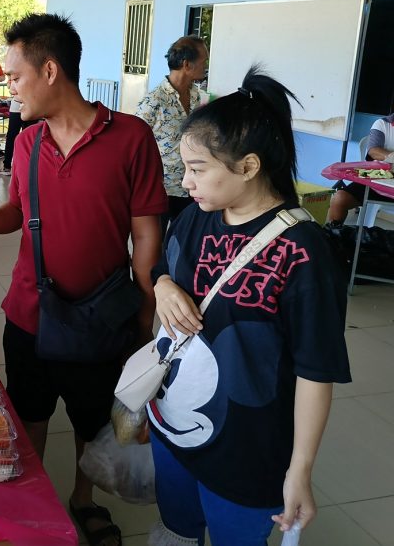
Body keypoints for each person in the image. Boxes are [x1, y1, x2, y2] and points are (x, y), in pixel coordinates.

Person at [0, 13, 166, 546]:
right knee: (29, 415)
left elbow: (146, 237)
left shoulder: (131, 138)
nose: (8, 88)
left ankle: (82, 501)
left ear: (49, 70)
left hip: (100, 313)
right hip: (29, 312)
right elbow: (16, 211)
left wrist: (146, 314)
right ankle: (29, 504)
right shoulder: (27, 143)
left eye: (14, 77)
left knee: (92, 421)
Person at [148, 69, 351, 546]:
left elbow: (315, 370)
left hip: (247, 449)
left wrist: (300, 470)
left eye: (197, 169)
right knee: (178, 528)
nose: (185, 181)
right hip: (173, 426)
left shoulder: (303, 251)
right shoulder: (195, 218)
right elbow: (163, 270)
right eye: (184, 168)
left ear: (248, 166)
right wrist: (162, 286)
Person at [135, 36, 207, 232]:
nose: (205, 67)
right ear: (186, 65)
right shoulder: (154, 101)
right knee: (154, 244)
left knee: (183, 239)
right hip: (161, 188)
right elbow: (134, 143)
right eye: (203, 62)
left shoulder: (195, 94)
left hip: (189, 184)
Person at [326, 103, 394, 224]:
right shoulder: (383, 123)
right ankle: (333, 236)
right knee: (340, 199)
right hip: (380, 175)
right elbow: (373, 150)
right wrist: (391, 157)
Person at [0, 97, 35, 176]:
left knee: (13, 138)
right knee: (28, 139)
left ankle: (7, 167)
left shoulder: (15, 84)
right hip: (31, 107)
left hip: (21, 108)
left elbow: (12, 89)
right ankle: (29, 167)